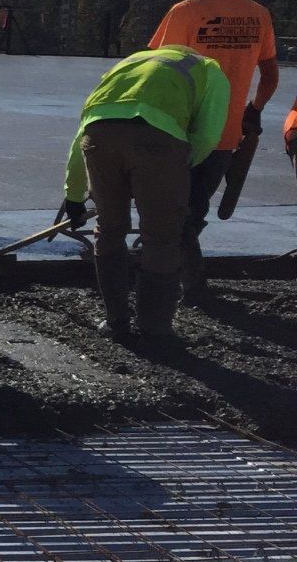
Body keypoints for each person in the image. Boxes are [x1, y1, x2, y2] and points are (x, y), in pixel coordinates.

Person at [60, 44, 228, 343]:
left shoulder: (126, 65)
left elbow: (81, 135)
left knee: (109, 230)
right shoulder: (209, 69)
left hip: (99, 136)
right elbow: (207, 135)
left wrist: (73, 195)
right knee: (161, 237)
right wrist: (177, 169)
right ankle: (155, 328)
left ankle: (116, 322)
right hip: (159, 140)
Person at [146, 0, 280, 301]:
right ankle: (180, 274)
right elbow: (270, 76)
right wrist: (253, 110)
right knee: (194, 209)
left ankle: (184, 282)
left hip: (180, 131)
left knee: (174, 211)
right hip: (224, 136)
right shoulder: (259, 14)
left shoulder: (185, 13)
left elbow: (156, 71)